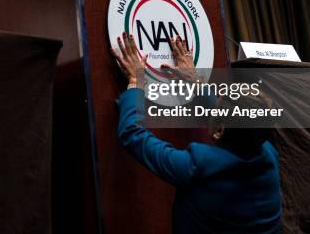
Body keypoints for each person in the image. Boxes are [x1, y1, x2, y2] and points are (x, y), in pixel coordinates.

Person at [111, 33, 282, 233]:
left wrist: (135, 83)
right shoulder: (268, 153)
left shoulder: (198, 165)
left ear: (219, 131)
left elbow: (133, 135)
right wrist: (195, 82)